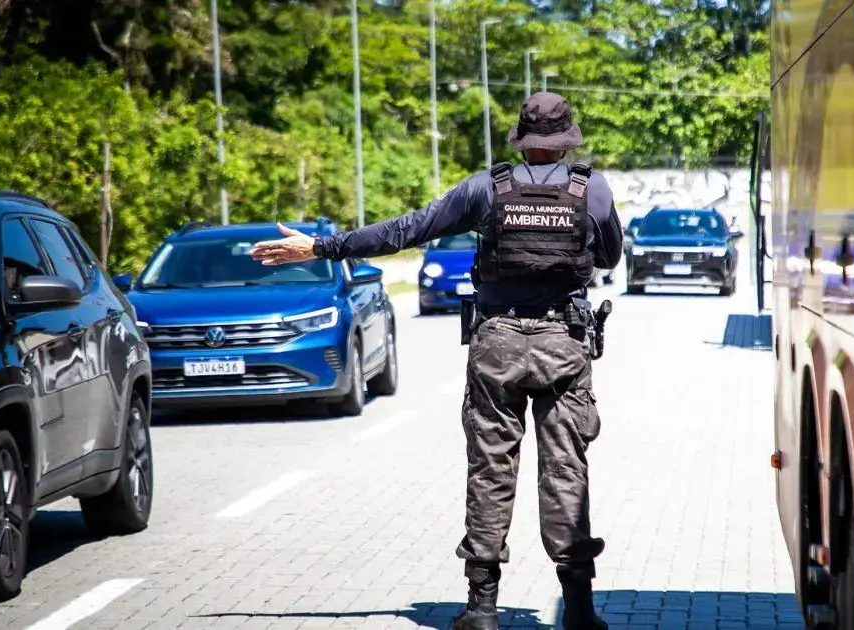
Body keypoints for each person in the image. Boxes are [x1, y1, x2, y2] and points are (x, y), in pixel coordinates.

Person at [250, 92, 622, 630]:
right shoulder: (592, 188)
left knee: (491, 469)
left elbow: (407, 229)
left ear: (520, 137)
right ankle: (581, 610)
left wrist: (323, 248)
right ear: (568, 139)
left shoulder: (485, 188)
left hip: (496, 341)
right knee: (566, 469)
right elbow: (609, 256)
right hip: (564, 340)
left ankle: (482, 607)